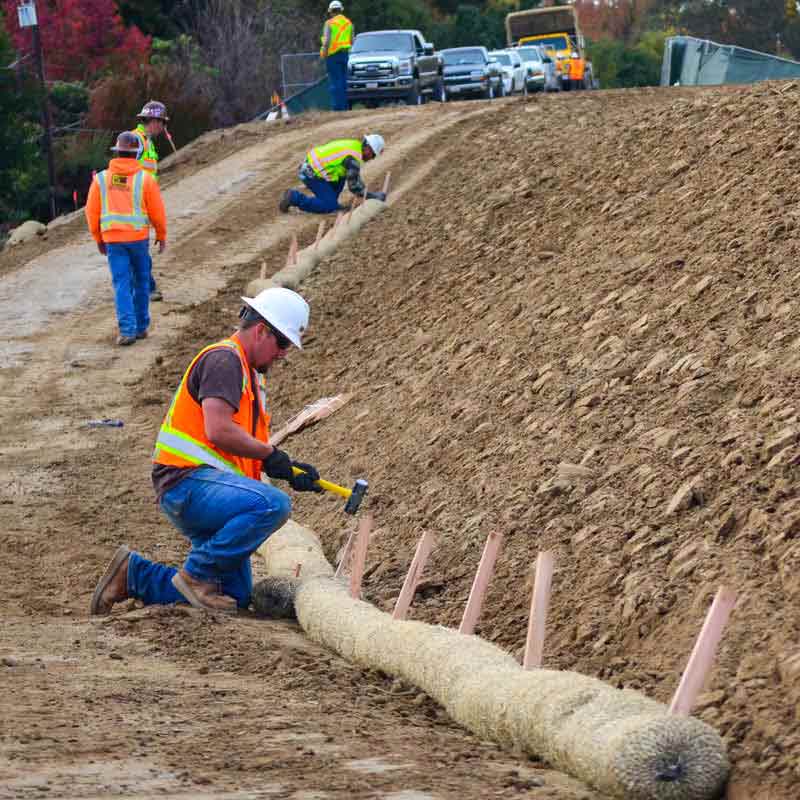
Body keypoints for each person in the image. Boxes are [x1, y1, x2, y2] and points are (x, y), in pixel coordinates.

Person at [90, 287, 323, 614]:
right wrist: (270, 456)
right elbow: (219, 430)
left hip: (208, 489)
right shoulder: (225, 360)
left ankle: (133, 575)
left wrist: (285, 467)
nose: (284, 353)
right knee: (275, 505)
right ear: (260, 331)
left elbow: (238, 445)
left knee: (234, 597)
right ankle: (197, 573)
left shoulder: (246, 373)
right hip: (186, 483)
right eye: (282, 343)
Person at [85, 131, 167, 346]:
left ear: (117, 151)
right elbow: (157, 211)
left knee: (122, 284)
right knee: (141, 281)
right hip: (138, 240)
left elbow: (91, 212)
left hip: (113, 241)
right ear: (137, 153)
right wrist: (161, 234)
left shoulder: (101, 179)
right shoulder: (145, 179)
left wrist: (98, 238)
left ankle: (127, 331)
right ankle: (140, 328)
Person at [279, 134, 386, 215]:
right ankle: (294, 197)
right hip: (311, 172)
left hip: (314, 165)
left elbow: (355, 177)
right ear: (368, 148)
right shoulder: (353, 158)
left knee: (343, 174)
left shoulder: (355, 146)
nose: (372, 158)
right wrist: (372, 196)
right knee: (329, 206)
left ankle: (331, 201)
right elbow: (354, 186)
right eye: (373, 155)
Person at [131, 100, 170, 301]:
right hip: (135, 206)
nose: (163, 127)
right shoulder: (137, 141)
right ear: (153, 121)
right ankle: (147, 287)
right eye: (162, 122)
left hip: (143, 204)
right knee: (138, 249)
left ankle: (144, 285)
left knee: (138, 249)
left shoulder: (146, 141)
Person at [320, 0, 353, 112]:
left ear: (330, 11)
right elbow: (351, 40)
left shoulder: (329, 23)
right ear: (341, 10)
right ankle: (344, 107)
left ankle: (337, 108)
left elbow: (327, 41)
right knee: (343, 81)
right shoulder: (348, 23)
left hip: (332, 56)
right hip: (344, 54)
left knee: (335, 81)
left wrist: (324, 52)